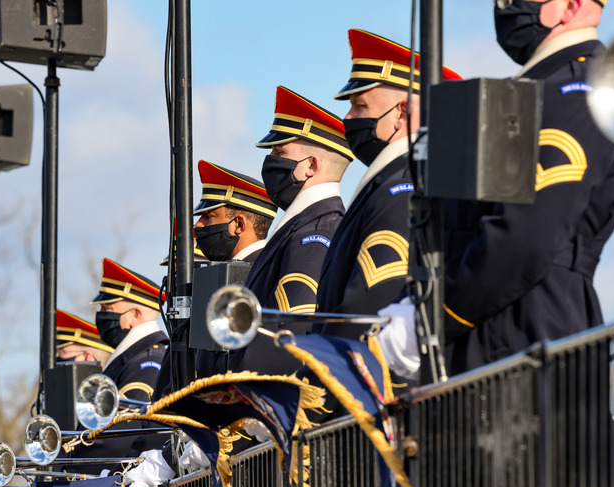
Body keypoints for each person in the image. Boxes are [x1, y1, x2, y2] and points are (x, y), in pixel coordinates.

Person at [378, 0, 614, 377]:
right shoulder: (536, 90)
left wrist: (434, 317)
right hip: (495, 339)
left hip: (531, 338)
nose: (504, 6)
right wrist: (413, 306)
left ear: (572, 6)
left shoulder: (577, 92)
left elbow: (527, 236)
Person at [315, 29, 461, 341]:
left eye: (360, 106)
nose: (348, 117)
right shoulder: (387, 185)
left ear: (402, 114)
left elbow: (365, 315)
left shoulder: (401, 191)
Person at [229, 86, 352, 376]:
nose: (270, 160)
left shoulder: (316, 232)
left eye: (279, 151)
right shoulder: (301, 227)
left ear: (311, 165)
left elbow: (285, 335)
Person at [68, 258, 170, 468]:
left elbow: (121, 437)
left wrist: (73, 471)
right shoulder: (133, 358)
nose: (102, 314)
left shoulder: (147, 363)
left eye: (108, 307)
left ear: (135, 314)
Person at [193, 160, 277, 263]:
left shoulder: (266, 270)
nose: (198, 224)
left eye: (209, 216)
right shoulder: (263, 266)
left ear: (239, 225)